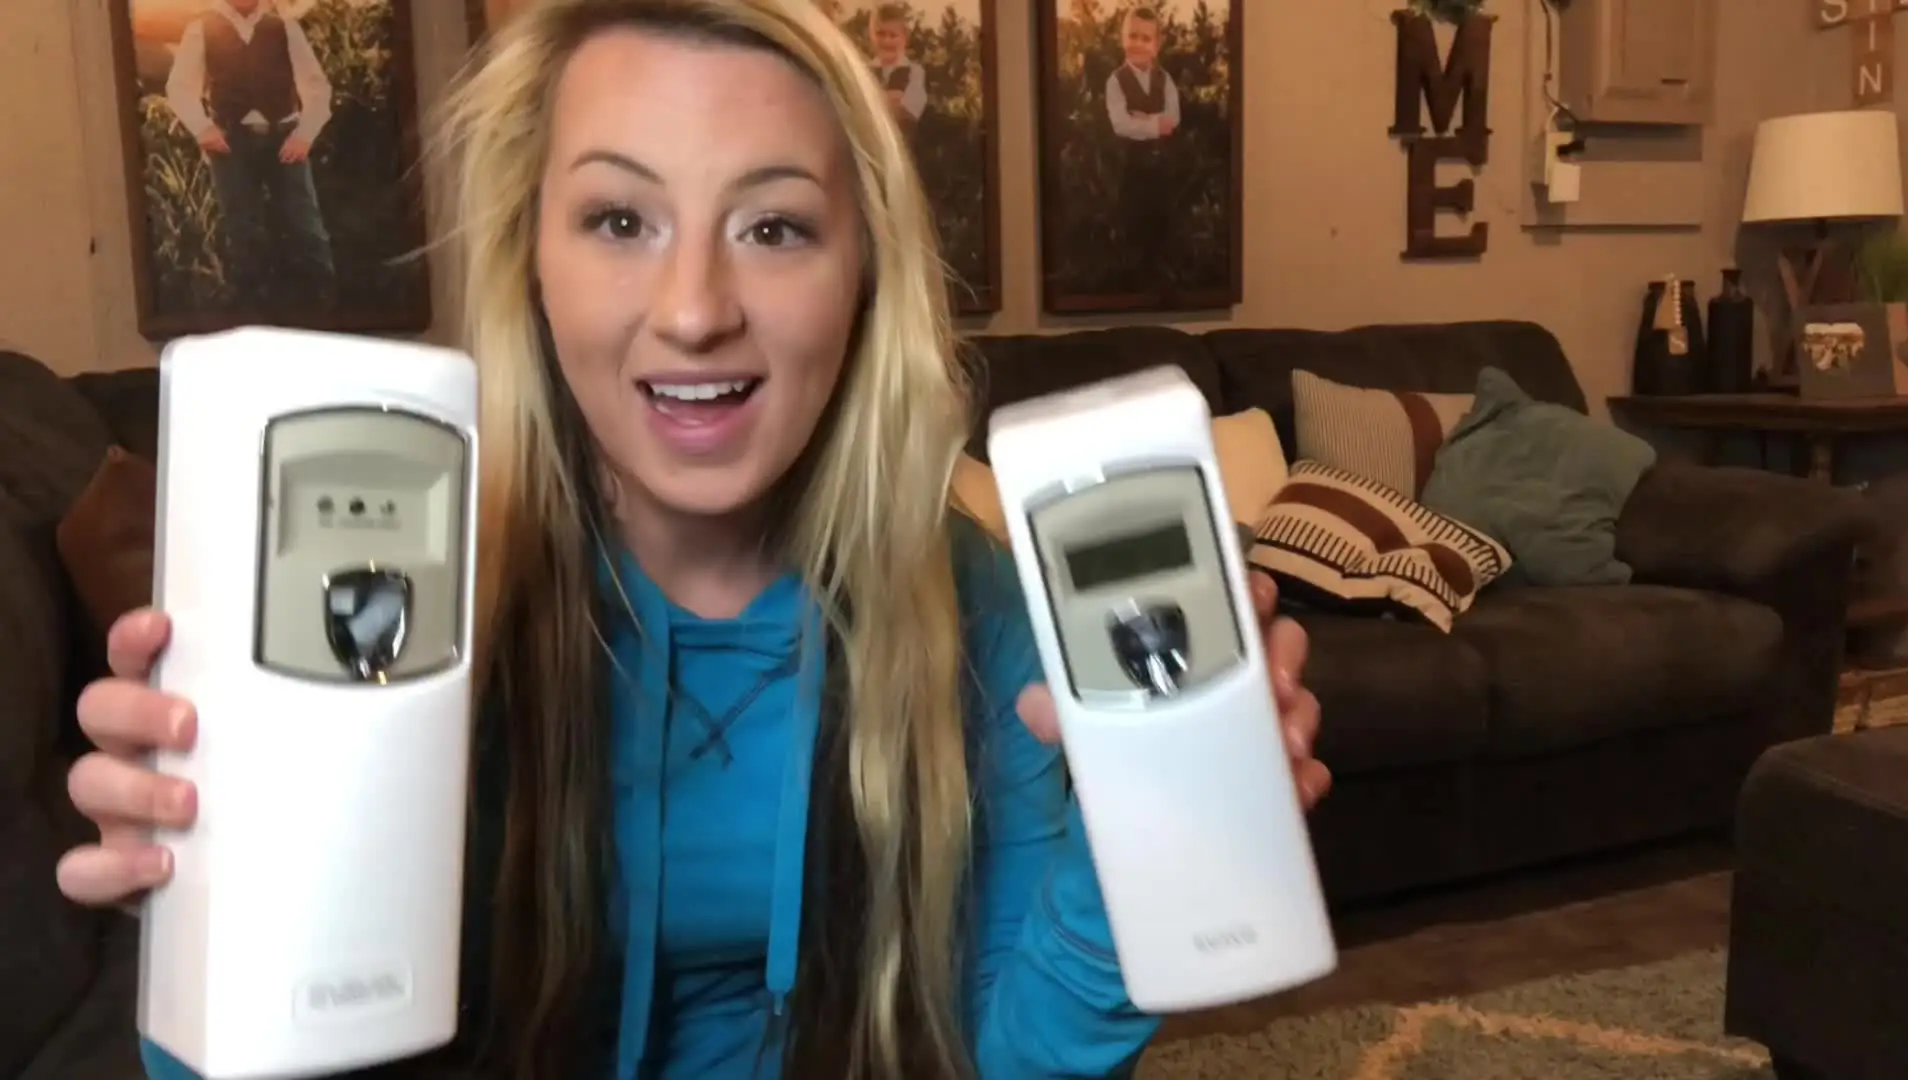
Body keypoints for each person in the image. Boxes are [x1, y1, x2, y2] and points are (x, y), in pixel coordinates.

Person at [58, 2, 1330, 1078]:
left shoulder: (971, 599)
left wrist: (1140, 866)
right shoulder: (424, 606)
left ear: (864, 275)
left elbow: (1004, 1054)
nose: (693, 311)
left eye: (774, 227)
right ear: (532, 258)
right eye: (621, 221)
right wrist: (216, 936)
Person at [164, 0, 338, 312]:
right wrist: (203, 128)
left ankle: (322, 301)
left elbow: (316, 87)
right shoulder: (203, 27)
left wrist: (304, 134)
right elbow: (179, 87)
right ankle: (253, 305)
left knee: (303, 221)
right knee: (241, 225)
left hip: (285, 136)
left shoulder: (283, 26)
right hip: (232, 142)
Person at [1101, 6, 1181, 296]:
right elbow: (1121, 124)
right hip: (1130, 167)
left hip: (1161, 167)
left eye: (1146, 38)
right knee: (1132, 220)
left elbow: (1173, 120)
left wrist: (1143, 121)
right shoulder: (1116, 81)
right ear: (1122, 38)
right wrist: (1154, 124)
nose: (1138, 43)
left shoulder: (1165, 80)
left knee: (1160, 219)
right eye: (1133, 36)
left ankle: (1159, 271)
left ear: (1156, 46)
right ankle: (1130, 277)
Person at [866, 3, 926, 139]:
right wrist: (889, 100)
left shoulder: (914, 72)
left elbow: (909, 112)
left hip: (900, 142)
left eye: (893, 35)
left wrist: (874, 102)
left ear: (904, 39)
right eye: (880, 34)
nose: (886, 41)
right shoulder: (864, 71)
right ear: (871, 35)